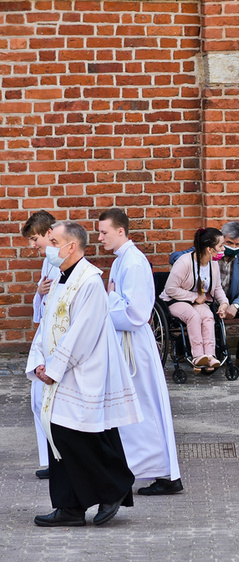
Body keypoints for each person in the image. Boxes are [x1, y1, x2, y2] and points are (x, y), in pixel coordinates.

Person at [25, 221, 142, 527]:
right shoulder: (62, 277)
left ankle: (114, 487)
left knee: (72, 435)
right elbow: (49, 323)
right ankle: (70, 507)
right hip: (60, 369)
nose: (47, 247)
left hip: (82, 370)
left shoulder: (89, 281)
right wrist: (40, 361)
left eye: (53, 241)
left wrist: (54, 368)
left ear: (71, 246)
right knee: (60, 437)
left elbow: (82, 333)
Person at [98, 208, 183, 495]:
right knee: (135, 408)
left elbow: (136, 313)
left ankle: (163, 472)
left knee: (144, 406)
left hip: (134, 343)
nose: (100, 238)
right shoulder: (122, 260)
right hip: (126, 341)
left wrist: (103, 305)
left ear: (120, 231)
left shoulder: (133, 262)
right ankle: (150, 469)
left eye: (104, 232)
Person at [170, 222, 239, 370]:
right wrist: (190, 264)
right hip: (207, 299)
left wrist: (236, 305)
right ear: (221, 240)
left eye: (238, 244)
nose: (233, 247)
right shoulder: (208, 250)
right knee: (202, 313)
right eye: (229, 243)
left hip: (229, 300)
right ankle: (190, 348)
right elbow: (175, 257)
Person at [21, 210, 59, 480]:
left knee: (46, 399)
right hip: (44, 333)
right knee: (38, 401)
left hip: (55, 337)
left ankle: (57, 458)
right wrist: (39, 292)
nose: (31, 245)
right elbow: (41, 303)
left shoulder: (60, 259)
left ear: (49, 233)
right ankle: (49, 458)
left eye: (35, 238)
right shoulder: (48, 260)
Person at [160, 228, 229, 371]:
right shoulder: (184, 262)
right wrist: (194, 297)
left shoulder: (213, 264)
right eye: (221, 246)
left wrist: (223, 303)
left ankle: (210, 356)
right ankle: (198, 356)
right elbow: (170, 289)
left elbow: (216, 288)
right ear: (210, 249)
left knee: (208, 316)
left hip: (198, 301)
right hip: (175, 300)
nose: (223, 248)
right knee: (193, 316)